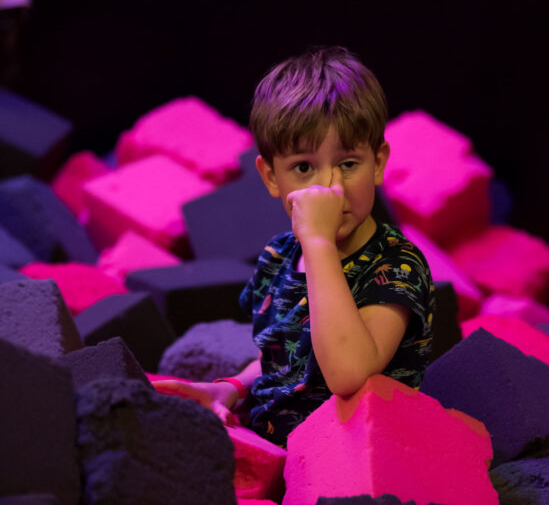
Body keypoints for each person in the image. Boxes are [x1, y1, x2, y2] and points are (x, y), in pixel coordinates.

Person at [155, 46, 435, 447]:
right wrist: (233, 387)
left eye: (348, 164)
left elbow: (348, 374)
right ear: (271, 177)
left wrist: (318, 242)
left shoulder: (396, 264)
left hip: (355, 458)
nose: (330, 189)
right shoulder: (278, 256)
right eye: (304, 168)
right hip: (274, 445)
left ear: (377, 163)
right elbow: (283, 358)